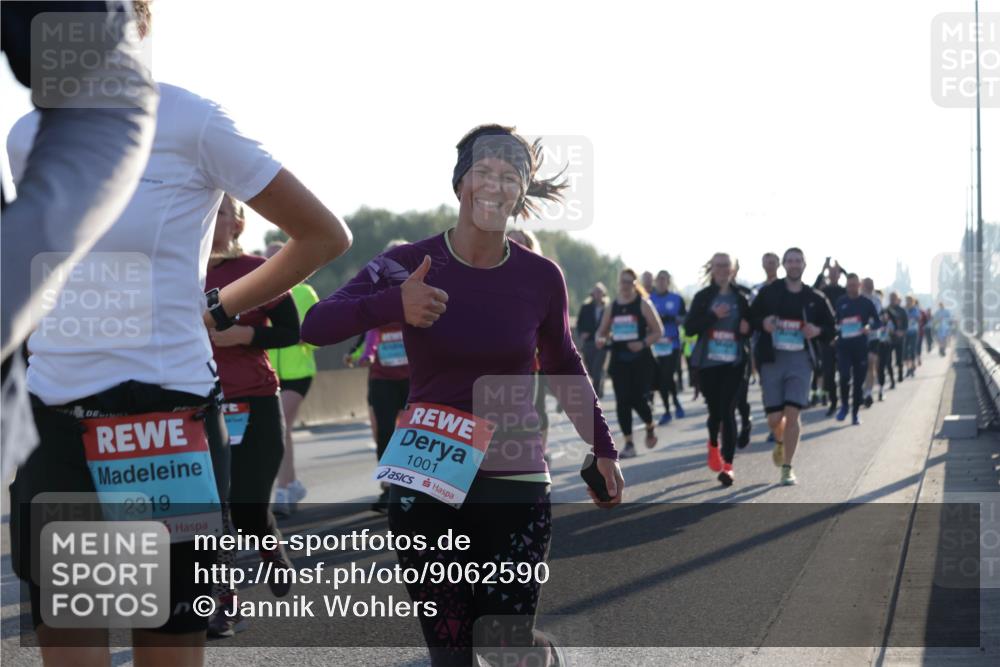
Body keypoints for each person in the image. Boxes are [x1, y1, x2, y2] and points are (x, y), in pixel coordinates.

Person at [6, 6, 353, 662]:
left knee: (164, 639)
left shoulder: (191, 120)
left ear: (135, 24)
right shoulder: (27, 134)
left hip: (165, 423)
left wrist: (218, 306)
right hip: (55, 420)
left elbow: (323, 236)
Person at [302, 124, 623, 667]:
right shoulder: (407, 263)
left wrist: (603, 446)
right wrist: (393, 304)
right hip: (426, 474)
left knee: (503, 645)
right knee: (450, 655)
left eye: (510, 175)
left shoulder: (541, 277)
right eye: (484, 171)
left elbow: (564, 362)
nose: (495, 185)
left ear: (521, 193)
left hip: (513, 473)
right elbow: (315, 325)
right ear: (460, 183)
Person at [1, 0, 158, 479]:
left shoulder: (196, 119)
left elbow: (110, 92)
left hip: (165, 387)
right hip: (49, 385)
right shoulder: (21, 136)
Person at [205, 196, 301, 636]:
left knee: (246, 505)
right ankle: (223, 602)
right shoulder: (175, 270)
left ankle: (268, 544)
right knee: (212, 509)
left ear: (238, 223)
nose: (211, 218)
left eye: (221, 211)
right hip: (198, 404)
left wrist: (245, 334)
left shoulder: (258, 270)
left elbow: (292, 331)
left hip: (255, 400)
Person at [750, 248, 836, 486]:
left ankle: (787, 467)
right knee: (774, 418)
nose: (794, 265)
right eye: (790, 261)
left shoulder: (815, 297)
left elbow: (832, 329)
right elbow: (750, 319)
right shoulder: (769, 292)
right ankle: (779, 440)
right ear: (784, 264)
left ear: (804, 264)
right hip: (772, 360)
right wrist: (763, 323)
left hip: (800, 360)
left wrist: (817, 330)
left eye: (798, 261)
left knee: (793, 413)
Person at [684, 253, 751, 486]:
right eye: (718, 266)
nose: (722, 270)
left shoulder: (741, 297)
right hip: (708, 364)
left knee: (728, 411)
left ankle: (728, 466)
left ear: (733, 270)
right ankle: (713, 444)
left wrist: (748, 328)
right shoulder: (703, 297)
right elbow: (690, 328)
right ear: (712, 269)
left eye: (726, 266)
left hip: (734, 364)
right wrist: (713, 316)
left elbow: (752, 325)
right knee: (715, 413)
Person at [264, 241, 320, 517]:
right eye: (266, 260)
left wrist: (300, 337)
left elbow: (320, 334)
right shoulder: (260, 293)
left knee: (282, 423)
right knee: (278, 429)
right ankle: (293, 483)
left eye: (276, 258)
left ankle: (284, 489)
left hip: (299, 373)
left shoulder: (304, 292)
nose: (270, 264)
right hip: (270, 375)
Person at [596, 268, 665, 458]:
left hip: (640, 360)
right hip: (619, 359)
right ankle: (629, 444)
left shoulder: (643, 304)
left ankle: (650, 425)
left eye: (629, 282)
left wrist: (642, 343)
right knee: (622, 401)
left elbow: (658, 331)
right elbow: (601, 331)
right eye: (622, 282)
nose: (625, 286)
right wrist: (600, 339)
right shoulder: (613, 306)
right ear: (618, 284)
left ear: (635, 284)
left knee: (637, 398)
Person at [833, 274, 880, 425]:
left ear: (859, 285)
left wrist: (869, 327)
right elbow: (835, 321)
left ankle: (855, 413)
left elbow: (878, 322)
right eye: (849, 286)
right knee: (844, 376)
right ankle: (844, 406)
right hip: (844, 347)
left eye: (854, 285)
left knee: (859, 380)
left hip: (860, 346)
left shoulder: (866, 303)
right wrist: (835, 332)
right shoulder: (841, 302)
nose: (851, 288)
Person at [648, 270, 687, 424]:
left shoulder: (677, 299)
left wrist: (671, 318)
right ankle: (670, 407)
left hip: (672, 344)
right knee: (662, 378)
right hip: (655, 345)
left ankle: (672, 406)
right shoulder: (649, 299)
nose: (661, 282)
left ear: (668, 282)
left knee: (667, 375)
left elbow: (684, 319)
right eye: (659, 279)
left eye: (664, 279)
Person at [813, 258, 848, 415]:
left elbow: (853, 283)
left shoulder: (844, 291)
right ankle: (833, 402)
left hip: (843, 336)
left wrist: (842, 269)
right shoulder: (823, 292)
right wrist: (823, 269)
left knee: (844, 372)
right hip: (826, 337)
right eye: (831, 273)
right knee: (828, 372)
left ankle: (844, 401)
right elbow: (812, 289)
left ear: (839, 275)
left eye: (836, 273)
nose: (833, 275)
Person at [577, 283, 609, 398]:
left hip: (602, 343)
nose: (598, 294)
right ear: (592, 294)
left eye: (600, 292)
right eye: (596, 292)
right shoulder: (585, 307)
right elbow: (579, 324)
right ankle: (600, 383)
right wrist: (582, 334)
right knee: (590, 369)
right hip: (589, 342)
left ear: (603, 294)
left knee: (597, 368)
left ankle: (595, 395)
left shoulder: (608, 308)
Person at [860, 278, 883, 407]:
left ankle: (868, 393)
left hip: (873, 336)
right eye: (866, 284)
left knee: (871, 363)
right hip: (859, 337)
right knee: (860, 367)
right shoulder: (857, 298)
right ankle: (860, 389)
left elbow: (875, 316)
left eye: (871, 284)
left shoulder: (876, 299)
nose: (869, 286)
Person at [885, 293, 909, 384]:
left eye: (894, 298)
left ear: (897, 299)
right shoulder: (886, 310)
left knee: (899, 359)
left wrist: (902, 332)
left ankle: (900, 374)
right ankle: (892, 380)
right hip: (889, 339)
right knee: (888, 360)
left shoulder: (902, 310)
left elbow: (906, 324)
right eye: (891, 298)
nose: (892, 300)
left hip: (899, 338)